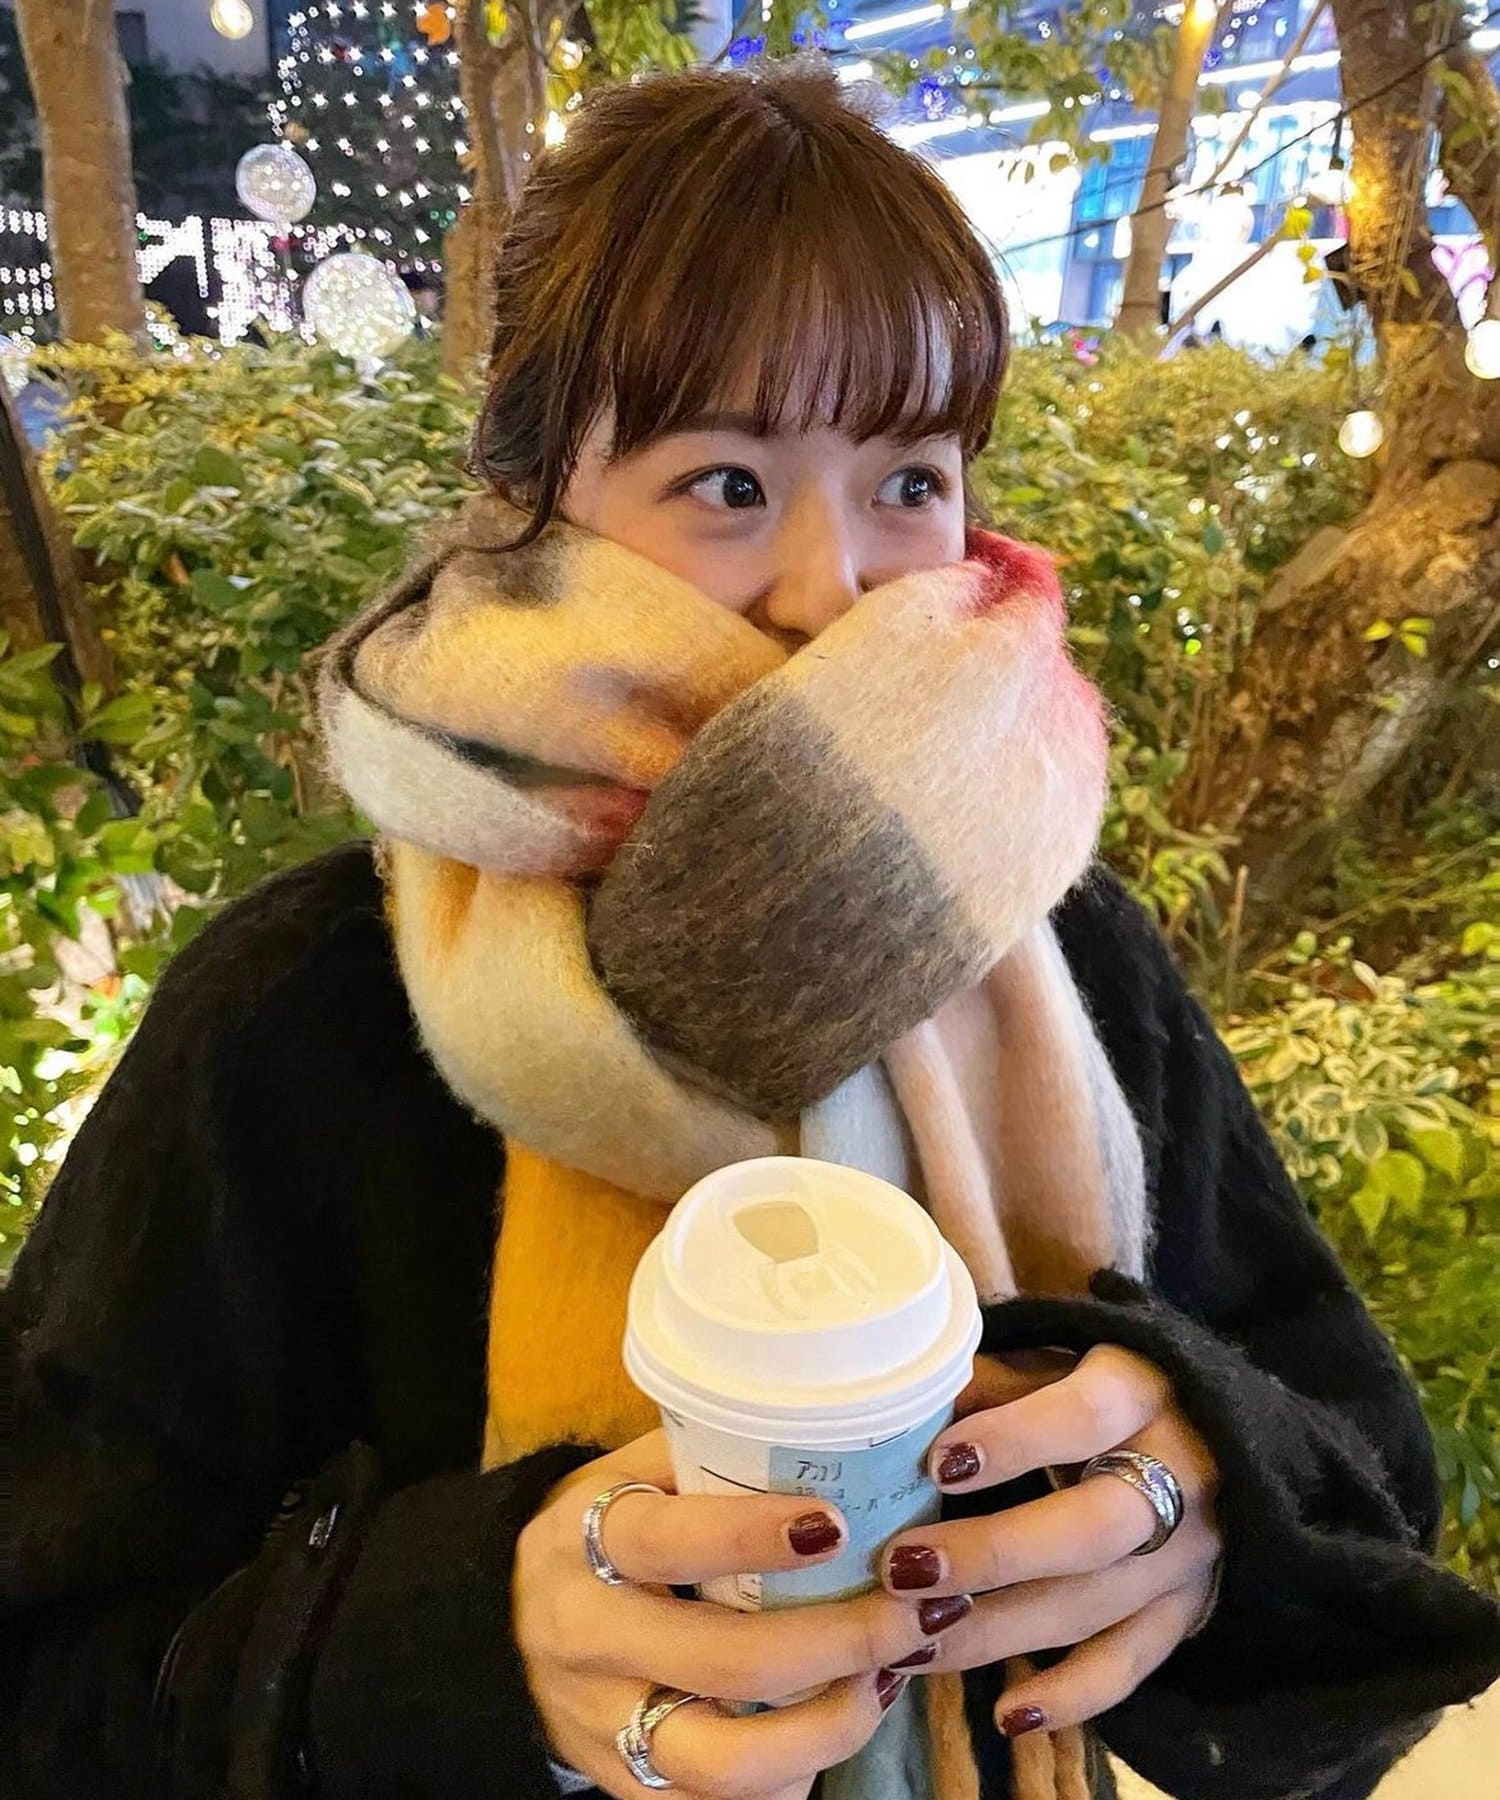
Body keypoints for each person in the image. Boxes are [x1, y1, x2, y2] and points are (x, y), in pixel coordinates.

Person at [5, 58, 1499, 1800]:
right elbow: (47, 1669)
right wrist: (459, 1648)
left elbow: (1365, 1484)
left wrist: (1204, 1500)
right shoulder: (297, 1018)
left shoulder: (1065, 951)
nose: (830, 588)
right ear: (532, 501)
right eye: (726, 481)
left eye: (909, 479)